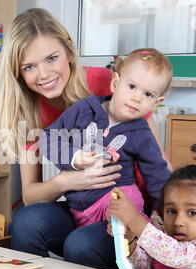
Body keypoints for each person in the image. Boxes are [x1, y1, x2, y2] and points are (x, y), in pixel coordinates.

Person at [0, 8, 169, 269]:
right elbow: (30, 195)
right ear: (18, 72)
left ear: (69, 49)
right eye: (29, 66)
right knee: (26, 222)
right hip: (81, 202)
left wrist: (166, 218)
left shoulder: (110, 84)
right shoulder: (28, 109)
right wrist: (68, 180)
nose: (43, 74)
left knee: (81, 245)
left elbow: (158, 159)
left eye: (52, 58)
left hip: (128, 209)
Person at [39, 48, 172, 228]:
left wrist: (161, 210)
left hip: (114, 195)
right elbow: (48, 138)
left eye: (148, 94)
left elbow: (158, 173)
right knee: (36, 223)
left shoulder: (141, 133)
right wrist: (74, 157)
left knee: (125, 203)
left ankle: (131, 228)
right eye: (132, 86)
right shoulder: (84, 109)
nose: (137, 98)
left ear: (155, 103)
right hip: (78, 205)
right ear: (115, 83)